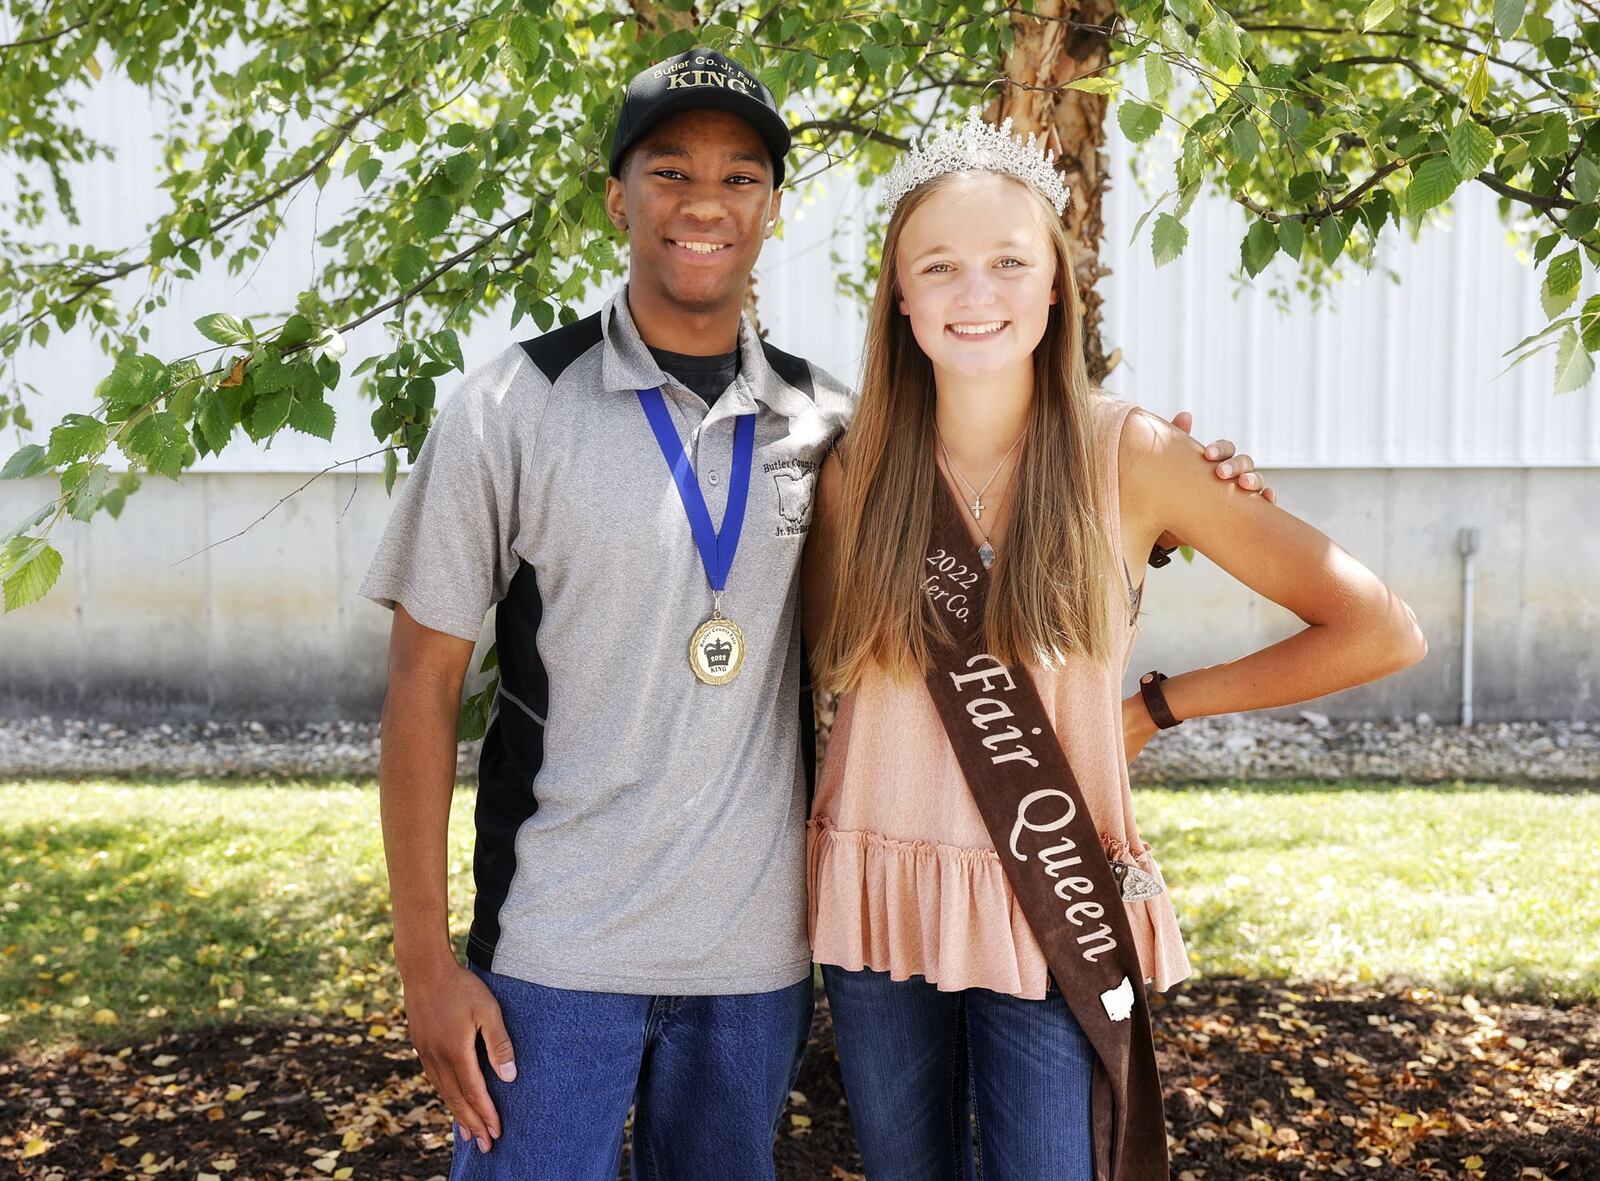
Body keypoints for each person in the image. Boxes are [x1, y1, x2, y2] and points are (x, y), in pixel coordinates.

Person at [359, 50, 1271, 1180]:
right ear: (615, 195)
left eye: (741, 177)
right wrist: (423, 964)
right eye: (668, 170)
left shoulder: (838, 428)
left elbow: (993, 536)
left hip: (756, 964)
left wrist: (1165, 506)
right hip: (553, 955)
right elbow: (419, 689)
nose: (705, 202)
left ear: (775, 208)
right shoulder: (510, 404)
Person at [801, 111, 1428, 1181]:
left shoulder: (1133, 454)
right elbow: (817, 665)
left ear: (1056, 287)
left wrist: (1157, 707)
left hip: (1052, 894)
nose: (975, 292)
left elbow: (1377, 627)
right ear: (899, 299)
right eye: (938, 266)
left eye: (1009, 260)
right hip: (881, 886)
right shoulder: (851, 469)